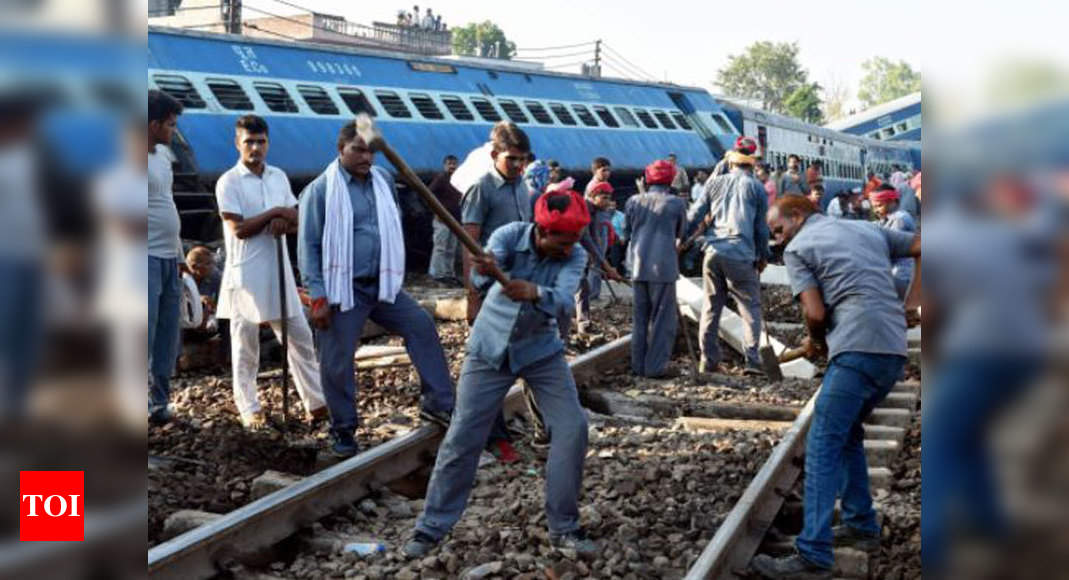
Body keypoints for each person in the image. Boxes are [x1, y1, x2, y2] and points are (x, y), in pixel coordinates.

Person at [404, 190, 596, 559]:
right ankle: (430, 528)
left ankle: (565, 528)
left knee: (573, 428)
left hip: (541, 350)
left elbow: (561, 299)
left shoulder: (577, 255)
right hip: (489, 349)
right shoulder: (508, 236)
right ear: (542, 230)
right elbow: (481, 283)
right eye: (563, 240)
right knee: (463, 436)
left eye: (574, 240)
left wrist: (534, 291)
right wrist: (483, 269)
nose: (570, 247)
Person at [751, 196, 920, 579]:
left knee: (823, 441)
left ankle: (813, 554)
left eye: (778, 230)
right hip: (891, 352)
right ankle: (861, 525)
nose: (777, 240)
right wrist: (912, 302)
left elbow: (815, 312)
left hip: (857, 346)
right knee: (846, 435)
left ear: (798, 216)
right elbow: (923, 244)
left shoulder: (799, 248)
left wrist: (815, 342)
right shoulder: (866, 229)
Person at [298, 121, 455, 457]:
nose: (366, 156)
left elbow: (390, 227)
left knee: (421, 326)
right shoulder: (320, 190)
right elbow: (308, 246)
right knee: (337, 360)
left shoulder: (383, 181)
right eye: (358, 149)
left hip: (383, 285)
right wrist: (319, 296)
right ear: (340, 149)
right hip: (344, 288)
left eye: (370, 150)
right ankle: (343, 431)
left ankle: (439, 403)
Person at [215, 115, 327, 430]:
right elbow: (238, 229)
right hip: (245, 271)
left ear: (268, 143)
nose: (255, 147)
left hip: (278, 266)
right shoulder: (228, 181)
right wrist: (275, 214)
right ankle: (249, 408)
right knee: (245, 343)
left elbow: (298, 219)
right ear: (238, 143)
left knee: (299, 335)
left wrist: (284, 220)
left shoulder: (278, 176)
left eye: (261, 141)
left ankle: (315, 402)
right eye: (249, 142)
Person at [458, 120, 532, 462]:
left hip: (517, 288)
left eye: (522, 159)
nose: (517, 166)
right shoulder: (482, 189)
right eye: (511, 159)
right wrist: (472, 296)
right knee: (492, 365)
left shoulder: (522, 188)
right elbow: (469, 243)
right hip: (490, 291)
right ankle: (493, 438)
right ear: (494, 155)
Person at [686, 150, 770, 375]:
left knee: (711, 306)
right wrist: (763, 256)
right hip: (741, 254)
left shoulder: (714, 184)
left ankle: (708, 360)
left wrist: (680, 238)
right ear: (751, 167)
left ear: (729, 164)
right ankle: (752, 361)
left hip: (713, 252)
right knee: (750, 308)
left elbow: (694, 215)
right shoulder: (757, 188)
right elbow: (761, 229)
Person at [625, 160, 686, 378]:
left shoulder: (633, 201)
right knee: (662, 320)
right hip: (663, 268)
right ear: (670, 179)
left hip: (638, 266)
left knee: (640, 318)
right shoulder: (676, 204)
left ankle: (637, 366)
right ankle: (655, 367)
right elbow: (681, 232)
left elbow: (627, 230)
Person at [148, 89, 184, 425]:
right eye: (170, 125)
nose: (173, 131)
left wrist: (180, 253)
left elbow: (167, 202)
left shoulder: (161, 155)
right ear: (153, 123)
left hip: (168, 257)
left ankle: (159, 404)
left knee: (166, 335)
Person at [574, 181, 617, 334]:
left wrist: (599, 260)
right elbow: (585, 238)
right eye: (604, 198)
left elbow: (593, 237)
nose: (608, 202)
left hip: (582, 254)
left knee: (582, 288)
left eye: (609, 198)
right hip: (569, 253)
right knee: (577, 288)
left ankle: (583, 323)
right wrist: (605, 264)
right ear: (593, 196)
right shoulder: (583, 209)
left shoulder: (597, 211)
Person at [870, 184, 916, 300]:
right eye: (874, 207)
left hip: (902, 276)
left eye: (879, 206)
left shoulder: (900, 218)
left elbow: (888, 248)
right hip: (894, 275)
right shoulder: (885, 220)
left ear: (893, 202)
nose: (876, 210)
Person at [427, 154, 462, 285]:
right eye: (449, 164)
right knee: (440, 247)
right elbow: (428, 194)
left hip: (455, 219)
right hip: (442, 219)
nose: (452, 166)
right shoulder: (441, 178)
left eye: (454, 164)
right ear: (444, 165)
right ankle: (436, 273)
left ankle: (448, 273)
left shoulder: (459, 179)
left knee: (451, 248)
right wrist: (436, 211)